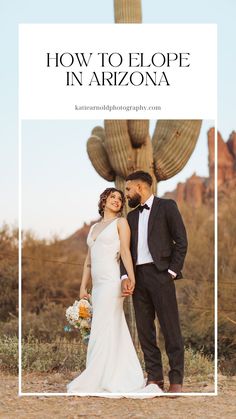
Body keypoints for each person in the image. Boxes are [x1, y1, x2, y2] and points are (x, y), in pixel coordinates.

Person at [67, 187, 162, 397]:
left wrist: (131, 277)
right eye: (113, 197)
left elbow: (126, 252)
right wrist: (83, 286)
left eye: (120, 199)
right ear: (103, 201)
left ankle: (103, 376)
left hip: (112, 283)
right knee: (105, 327)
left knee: (105, 326)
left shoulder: (121, 223)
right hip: (98, 286)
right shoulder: (93, 229)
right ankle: (106, 373)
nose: (117, 201)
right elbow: (88, 262)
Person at [121, 171, 188, 393]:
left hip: (161, 275)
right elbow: (125, 252)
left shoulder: (167, 206)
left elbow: (181, 241)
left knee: (170, 328)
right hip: (138, 277)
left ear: (140, 188)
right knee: (145, 330)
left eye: (129, 189)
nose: (126, 193)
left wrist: (170, 272)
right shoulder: (130, 217)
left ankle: (176, 380)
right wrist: (125, 276)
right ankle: (155, 378)